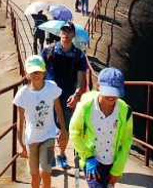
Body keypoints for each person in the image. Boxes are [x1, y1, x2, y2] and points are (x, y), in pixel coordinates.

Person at [70, 67, 134, 188]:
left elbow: (126, 141)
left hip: (112, 162)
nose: (111, 96)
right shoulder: (85, 107)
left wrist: (117, 170)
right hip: (91, 159)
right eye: (108, 91)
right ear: (98, 86)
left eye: (115, 92)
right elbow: (74, 132)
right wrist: (88, 157)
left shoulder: (125, 111)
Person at [14, 55, 68, 188]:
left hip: (49, 136)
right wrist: (20, 143)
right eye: (32, 72)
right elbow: (20, 121)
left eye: (38, 71)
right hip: (31, 139)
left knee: (46, 172)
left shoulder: (51, 87)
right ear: (27, 74)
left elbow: (59, 109)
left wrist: (63, 129)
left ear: (44, 72)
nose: (36, 74)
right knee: (34, 175)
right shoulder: (22, 94)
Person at [41, 22, 88, 170]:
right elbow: (40, 72)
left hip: (67, 96)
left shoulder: (79, 55)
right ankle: (48, 160)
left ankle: (61, 154)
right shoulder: (48, 51)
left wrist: (77, 94)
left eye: (69, 31)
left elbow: (81, 79)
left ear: (74, 35)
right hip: (48, 95)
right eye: (63, 31)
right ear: (59, 32)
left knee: (64, 128)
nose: (66, 34)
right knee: (46, 129)